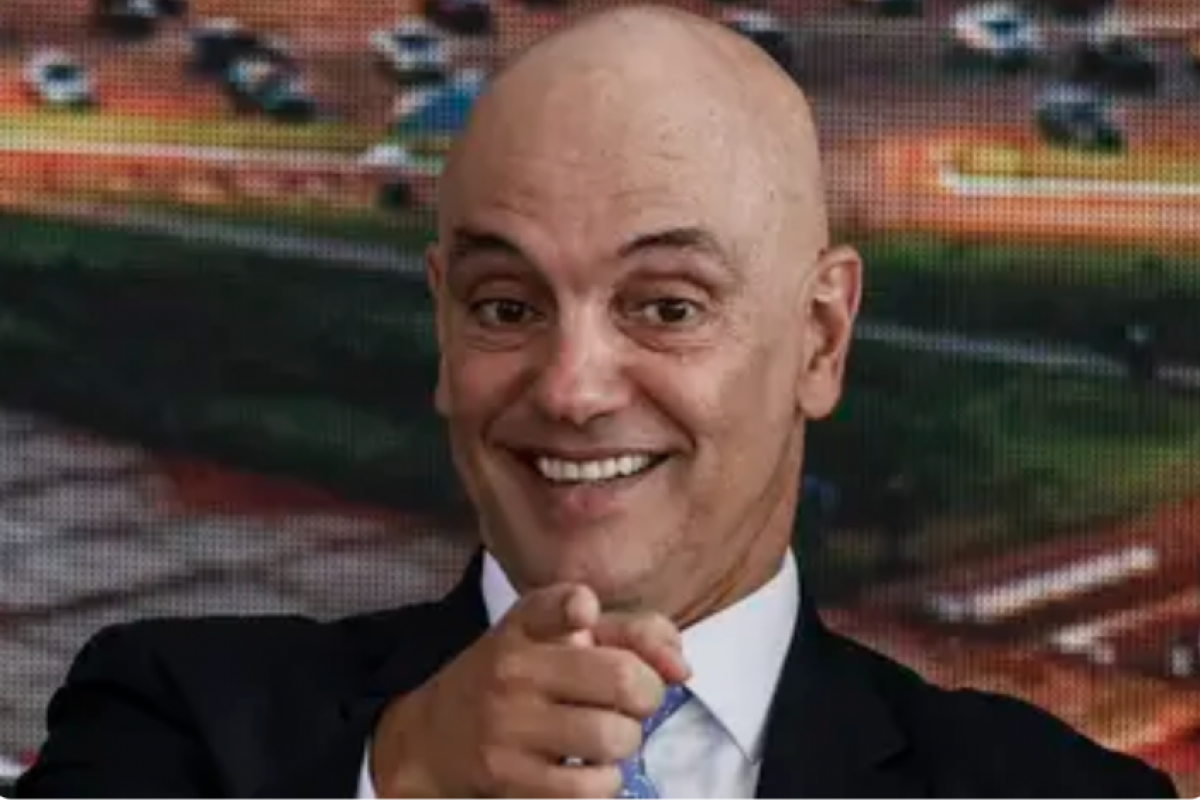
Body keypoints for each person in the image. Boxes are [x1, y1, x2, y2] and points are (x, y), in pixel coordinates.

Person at [16, 5, 1177, 798]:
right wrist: (395, 780)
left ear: (820, 338)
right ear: (443, 328)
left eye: (666, 306)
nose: (571, 388)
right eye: (506, 305)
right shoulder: (170, 722)